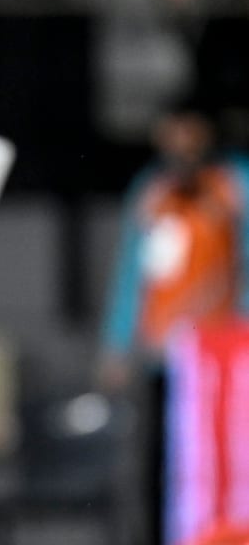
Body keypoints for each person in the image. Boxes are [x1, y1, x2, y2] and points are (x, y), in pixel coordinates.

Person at [98, 105, 249, 545]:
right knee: (164, 460)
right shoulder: (154, 190)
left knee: (230, 456)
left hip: (226, 356)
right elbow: (133, 269)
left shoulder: (233, 183)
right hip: (167, 356)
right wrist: (118, 341)